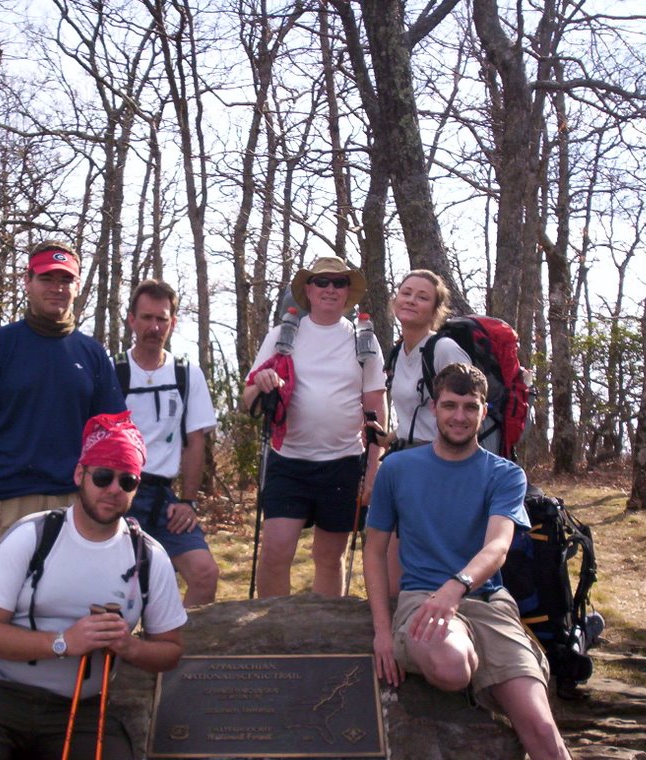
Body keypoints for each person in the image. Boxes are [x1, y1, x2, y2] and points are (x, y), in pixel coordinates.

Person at [0, 411, 187, 760]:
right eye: (103, 476)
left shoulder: (148, 556)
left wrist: (128, 648)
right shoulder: (34, 535)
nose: (114, 489)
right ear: (79, 474)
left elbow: (172, 650)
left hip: (82, 706)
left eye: (127, 481)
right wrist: (63, 643)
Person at [364, 364, 571, 760]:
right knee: (451, 666)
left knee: (543, 731)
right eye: (450, 405)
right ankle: (481, 685)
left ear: (484, 411)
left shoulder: (506, 474)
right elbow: (374, 552)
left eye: (470, 407)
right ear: (433, 409)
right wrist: (383, 632)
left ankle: (498, 686)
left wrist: (456, 587)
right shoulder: (397, 469)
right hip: (423, 600)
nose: (459, 416)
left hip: (488, 604)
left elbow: (497, 547)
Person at [0, 239, 126, 678]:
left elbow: (114, 435)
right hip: (0, 505)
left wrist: (111, 499)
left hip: (70, 505)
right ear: (28, 282)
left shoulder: (92, 354)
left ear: (77, 286)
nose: (57, 287)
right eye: (47, 277)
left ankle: (57, 710)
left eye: (65, 279)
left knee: (62, 612)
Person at [243, 256, 386, 597]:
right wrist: (261, 383)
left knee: (329, 556)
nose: (330, 289)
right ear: (307, 289)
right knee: (276, 551)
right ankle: (273, 631)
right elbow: (248, 399)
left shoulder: (363, 342)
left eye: (339, 282)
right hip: (288, 460)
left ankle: (324, 634)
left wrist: (373, 468)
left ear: (348, 291)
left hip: (344, 462)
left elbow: (376, 410)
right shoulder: (282, 337)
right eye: (322, 282)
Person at [117, 279, 219, 606]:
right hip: (116, 493)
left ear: (173, 323)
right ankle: (119, 654)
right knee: (116, 586)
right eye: (146, 318)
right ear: (131, 319)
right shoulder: (112, 370)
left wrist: (188, 502)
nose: (154, 326)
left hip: (164, 496)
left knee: (205, 574)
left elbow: (194, 441)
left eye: (162, 319)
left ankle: (176, 650)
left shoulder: (186, 374)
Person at [378, 269, 472, 596]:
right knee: (391, 550)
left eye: (422, 297)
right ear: (395, 300)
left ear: (435, 311)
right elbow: (414, 412)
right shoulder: (396, 352)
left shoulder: (443, 349)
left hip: (438, 466)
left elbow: (468, 408)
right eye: (406, 293)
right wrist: (389, 437)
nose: (411, 301)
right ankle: (396, 620)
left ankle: (423, 622)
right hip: (403, 459)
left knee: (417, 552)